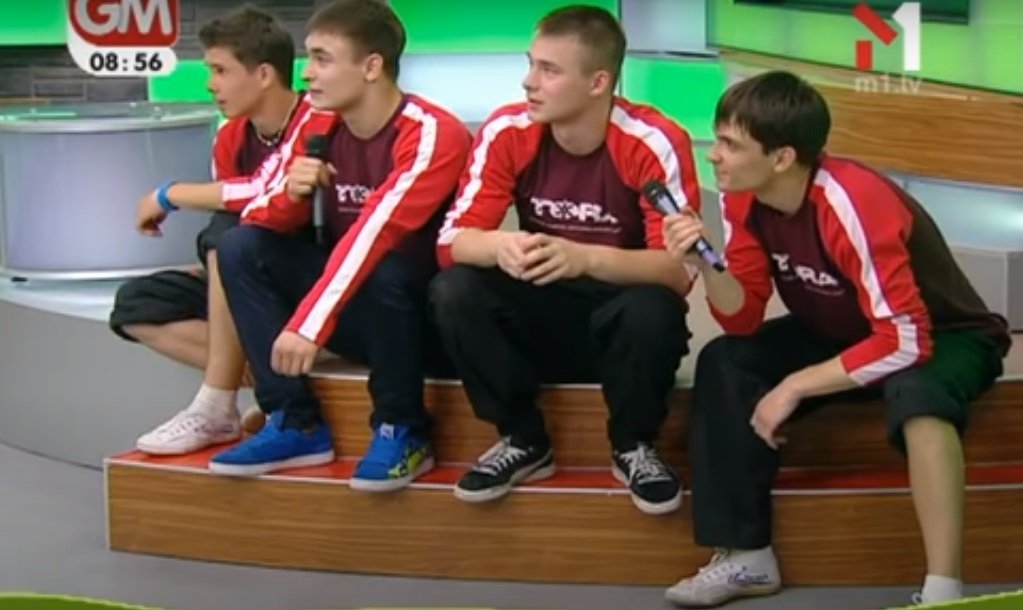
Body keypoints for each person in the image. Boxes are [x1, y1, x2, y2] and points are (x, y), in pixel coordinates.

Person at [662, 70, 1010, 607]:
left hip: (944, 334)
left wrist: (794, 386)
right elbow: (742, 319)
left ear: (782, 157)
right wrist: (707, 263)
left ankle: (944, 590)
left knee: (918, 394)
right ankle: (747, 557)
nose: (714, 155)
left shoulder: (853, 202)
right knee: (727, 360)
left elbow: (905, 341)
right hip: (843, 330)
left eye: (731, 144)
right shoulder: (743, 198)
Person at [429, 5, 700, 515]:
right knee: (455, 288)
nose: (529, 82)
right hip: (540, 313)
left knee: (653, 307)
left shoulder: (653, 140)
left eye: (549, 70)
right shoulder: (508, 129)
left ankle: (633, 446)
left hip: (618, 319)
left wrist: (584, 258)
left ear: (598, 82)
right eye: (531, 64)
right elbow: (452, 242)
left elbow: (679, 271)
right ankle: (522, 439)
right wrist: (500, 246)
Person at [207, 0, 472, 492]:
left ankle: (402, 429)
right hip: (353, 307)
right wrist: (291, 195)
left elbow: (376, 231)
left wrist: (308, 324)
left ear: (371, 66)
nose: (307, 73)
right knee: (240, 244)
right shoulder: (317, 123)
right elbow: (261, 210)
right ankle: (294, 421)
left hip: (424, 323)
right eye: (309, 58)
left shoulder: (433, 131)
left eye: (322, 59)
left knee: (386, 265)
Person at [109, 6, 319, 455]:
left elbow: (266, 194)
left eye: (220, 71)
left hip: (305, 274)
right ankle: (267, 372)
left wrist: (168, 194)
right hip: (246, 274)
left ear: (264, 75)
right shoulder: (231, 137)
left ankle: (216, 403)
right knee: (136, 304)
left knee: (226, 234)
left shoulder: (317, 120)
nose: (210, 83)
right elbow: (237, 196)